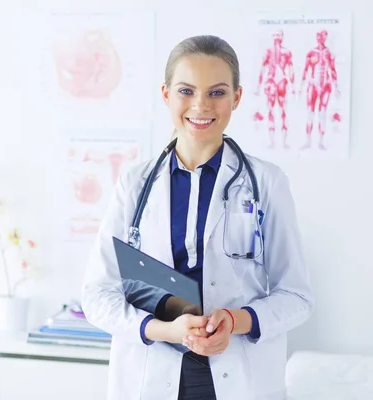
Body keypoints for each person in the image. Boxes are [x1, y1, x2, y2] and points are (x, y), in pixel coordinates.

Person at [81, 35, 314, 400]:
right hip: (151, 373)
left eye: (217, 92)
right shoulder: (134, 184)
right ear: (166, 94)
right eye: (186, 90)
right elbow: (97, 294)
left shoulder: (267, 182)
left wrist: (237, 321)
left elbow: (297, 296)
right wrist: (163, 330)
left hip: (240, 373)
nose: (201, 105)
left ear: (237, 97)